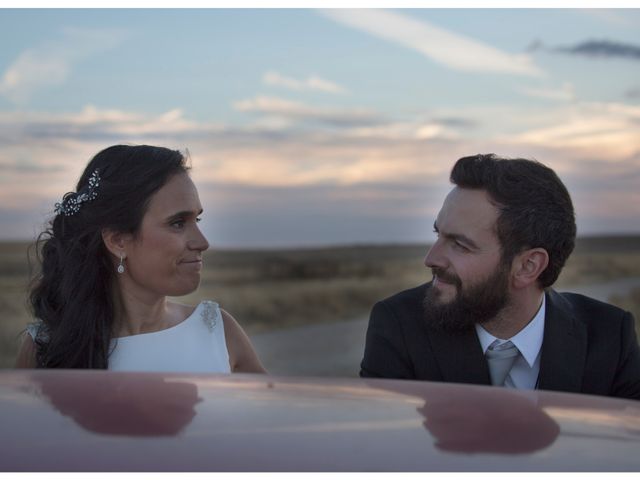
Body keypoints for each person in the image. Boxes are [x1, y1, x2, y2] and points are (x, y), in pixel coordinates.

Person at [360, 153, 640, 399]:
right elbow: (388, 449)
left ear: (528, 266)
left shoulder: (609, 335)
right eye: (438, 234)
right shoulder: (399, 325)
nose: (431, 258)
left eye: (460, 244)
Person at [15, 144, 266, 373]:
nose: (203, 242)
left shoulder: (219, 332)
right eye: (178, 223)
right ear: (118, 241)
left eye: (196, 220)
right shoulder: (46, 349)